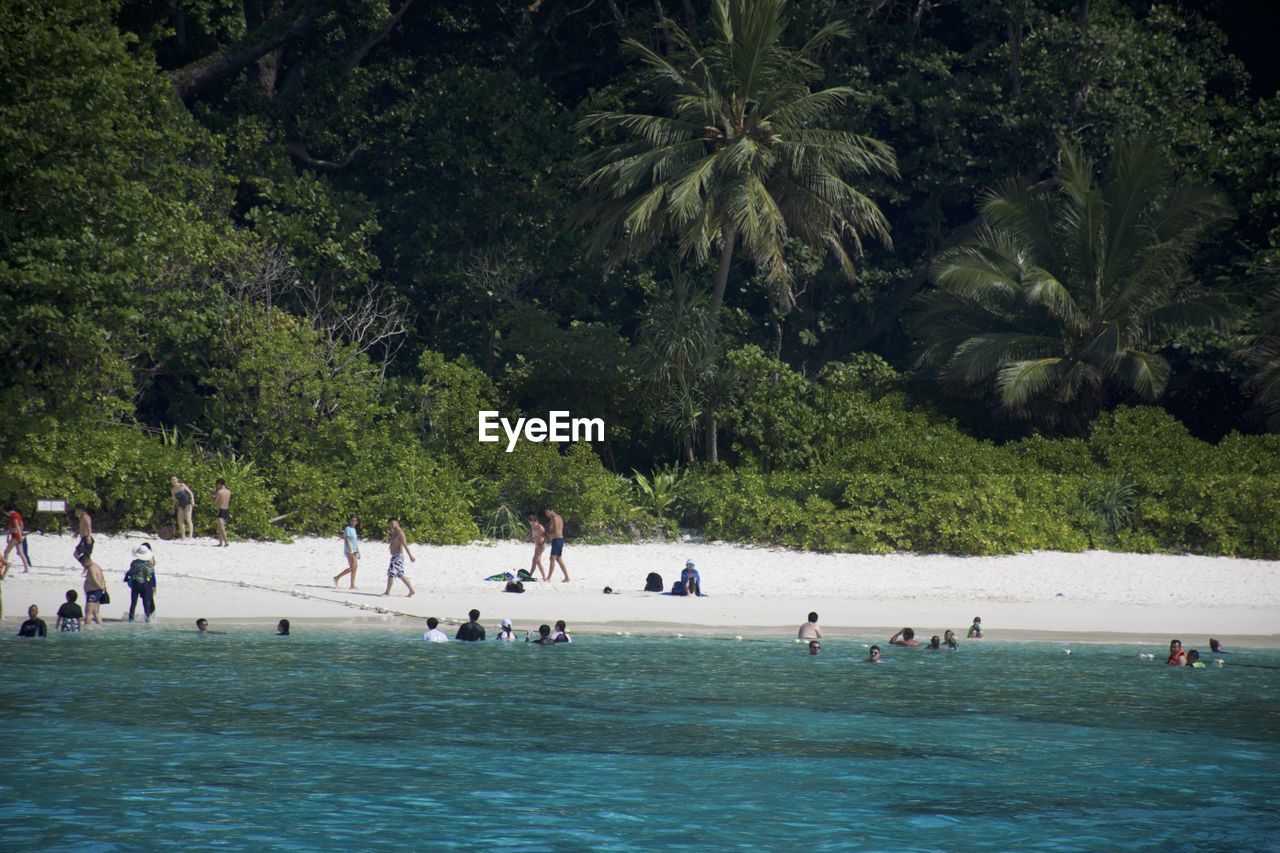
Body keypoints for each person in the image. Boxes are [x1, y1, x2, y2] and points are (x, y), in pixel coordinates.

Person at [381, 519, 416, 597]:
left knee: (391, 573)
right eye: (390, 524)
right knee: (400, 575)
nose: (391, 525)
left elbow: (405, 545)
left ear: (397, 523)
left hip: (398, 557)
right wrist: (388, 536)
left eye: (392, 523)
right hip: (394, 556)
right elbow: (389, 542)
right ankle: (411, 590)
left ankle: (387, 592)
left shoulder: (400, 533)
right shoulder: (394, 533)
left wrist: (410, 556)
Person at [125, 544, 157, 622]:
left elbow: (130, 573)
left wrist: (126, 578)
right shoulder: (149, 564)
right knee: (146, 603)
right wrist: (154, 586)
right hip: (146, 585)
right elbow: (152, 576)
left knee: (133, 603)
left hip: (136, 585)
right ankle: (148, 619)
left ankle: (131, 619)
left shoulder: (134, 563)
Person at [2, 505, 31, 577]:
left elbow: (17, 526)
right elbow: (21, 524)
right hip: (17, 536)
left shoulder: (13, 516)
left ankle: (3, 567)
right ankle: (26, 568)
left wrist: (19, 536)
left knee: (6, 552)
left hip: (16, 536)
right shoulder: (17, 514)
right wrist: (21, 533)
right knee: (21, 553)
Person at [334, 515, 361, 588]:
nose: (353, 522)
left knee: (355, 567)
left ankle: (352, 585)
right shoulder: (347, 529)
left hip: (354, 550)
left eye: (355, 521)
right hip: (349, 550)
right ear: (350, 521)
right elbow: (347, 539)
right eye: (352, 520)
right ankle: (337, 577)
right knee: (352, 567)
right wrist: (351, 550)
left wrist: (358, 551)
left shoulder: (354, 530)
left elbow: (355, 542)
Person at [80, 552, 106, 627]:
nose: (83, 566)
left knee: (88, 613)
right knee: (96, 612)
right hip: (97, 592)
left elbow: (95, 580)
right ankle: (100, 627)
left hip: (93, 593)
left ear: (85, 562)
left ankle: (87, 629)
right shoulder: (97, 566)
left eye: (83, 564)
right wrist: (103, 587)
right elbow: (102, 578)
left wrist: (100, 587)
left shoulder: (91, 569)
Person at [544, 507, 569, 582]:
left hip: (557, 540)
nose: (546, 514)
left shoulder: (554, 518)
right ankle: (567, 577)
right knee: (558, 559)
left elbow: (556, 532)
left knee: (552, 558)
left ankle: (548, 578)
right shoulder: (558, 517)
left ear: (552, 511)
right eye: (546, 513)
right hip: (558, 540)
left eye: (548, 512)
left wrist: (548, 534)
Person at [527, 514, 548, 581]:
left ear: (537, 521)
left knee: (534, 560)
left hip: (541, 545)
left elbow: (546, 537)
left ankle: (529, 575)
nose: (532, 525)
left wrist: (541, 545)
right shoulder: (533, 527)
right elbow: (535, 535)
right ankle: (544, 577)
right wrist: (530, 538)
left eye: (533, 523)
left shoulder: (540, 527)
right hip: (537, 545)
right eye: (531, 524)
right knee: (538, 562)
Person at [212, 479, 232, 547]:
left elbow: (215, 502)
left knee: (221, 528)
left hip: (221, 510)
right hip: (227, 510)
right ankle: (220, 542)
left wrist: (213, 497)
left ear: (219, 484)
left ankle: (226, 542)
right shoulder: (229, 491)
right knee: (221, 527)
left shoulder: (219, 492)